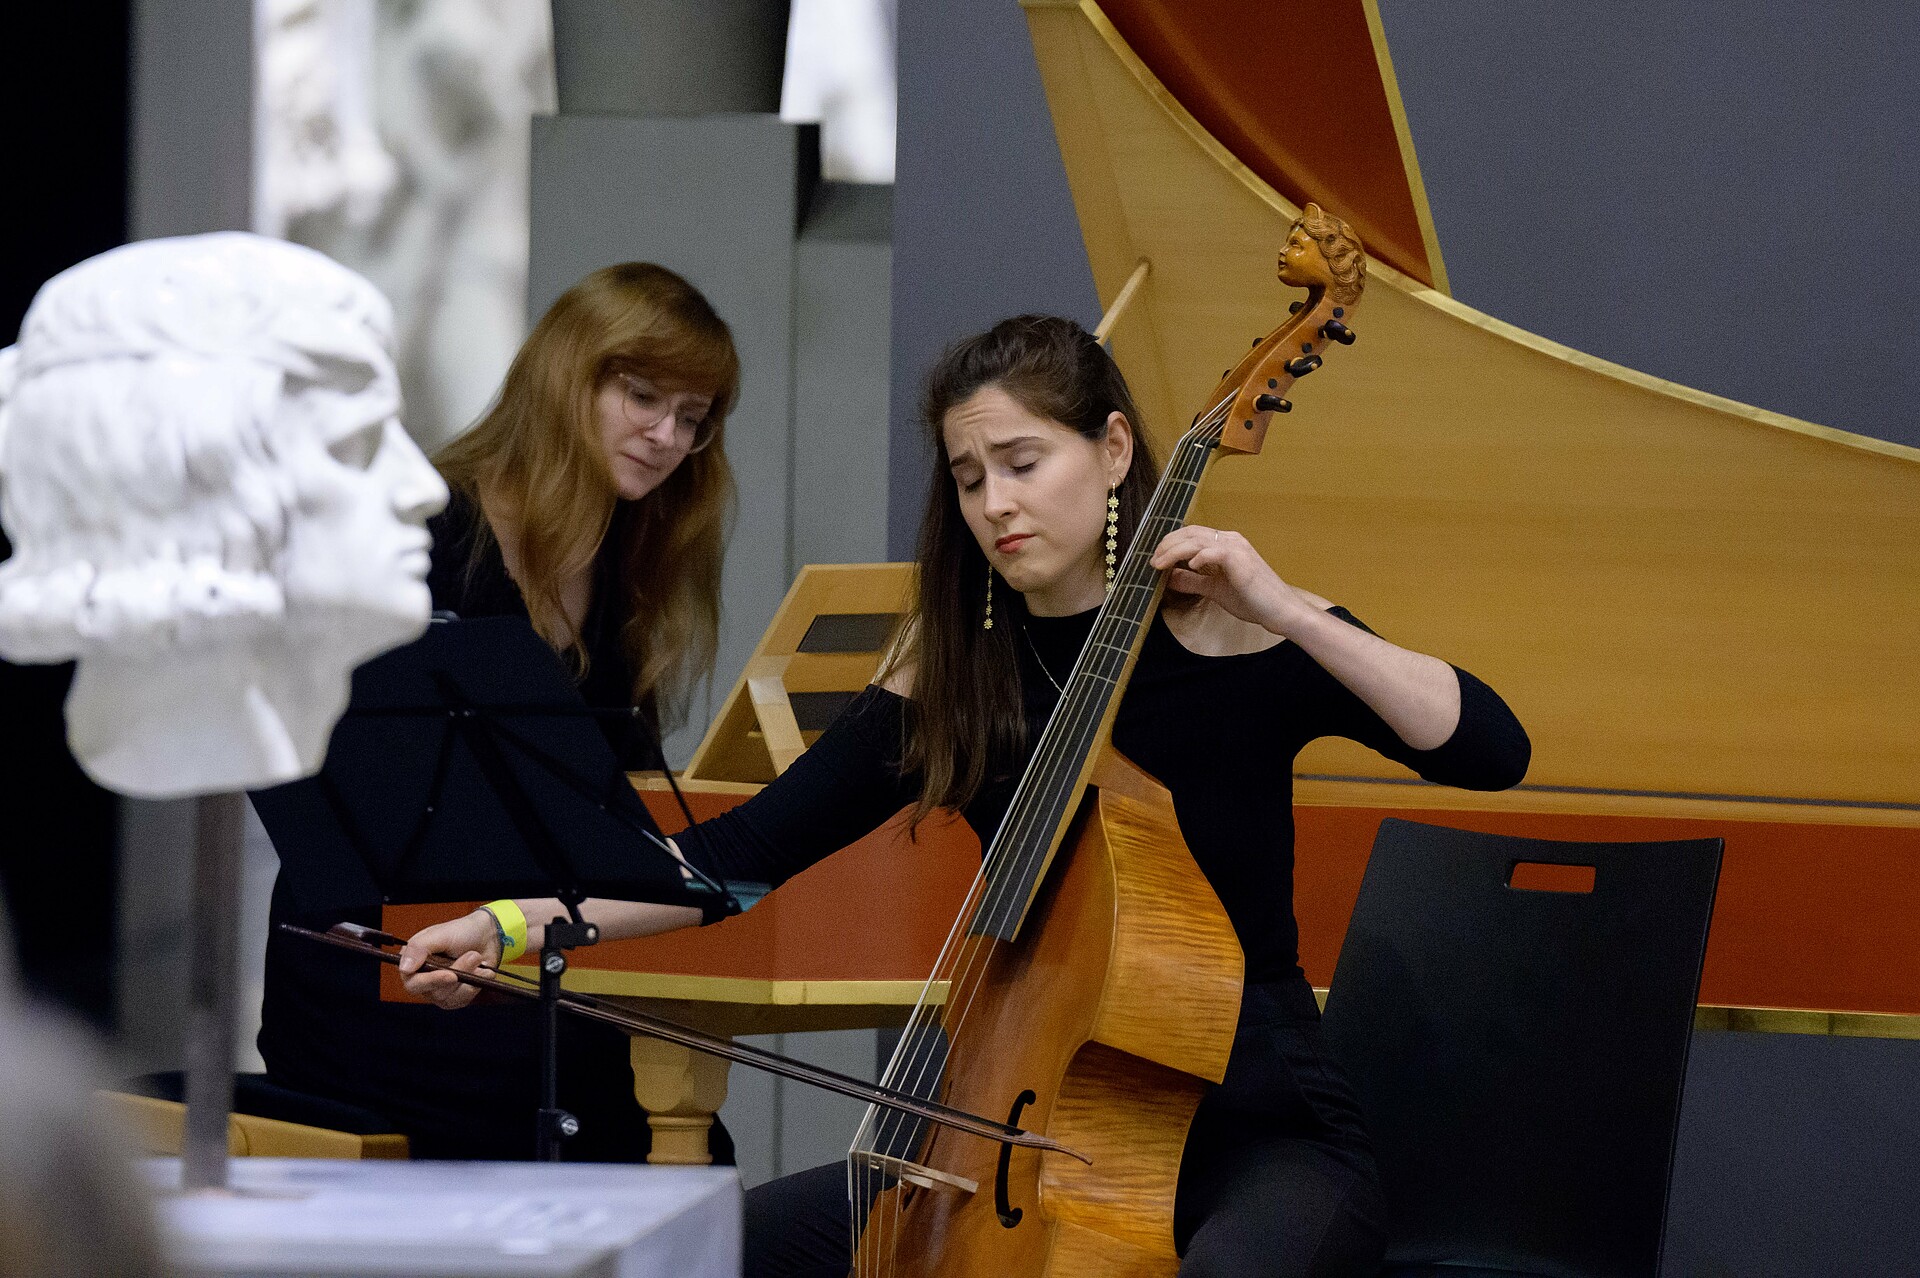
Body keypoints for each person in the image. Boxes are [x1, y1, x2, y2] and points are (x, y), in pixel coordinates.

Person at [403, 309, 1530, 1273]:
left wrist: (1285, 607)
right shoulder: (952, 669)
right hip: (1008, 1134)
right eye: (969, 475)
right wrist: (513, 926)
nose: (997, 503)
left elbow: (1487, 747)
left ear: (1117, 448)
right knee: (718, 1250)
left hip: (1255, 1132)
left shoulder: (1236, 631)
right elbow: (740, 857)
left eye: (1024, 462)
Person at [261, 261, 740, 1162]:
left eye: (693, 419)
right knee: (626, 1130)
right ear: (567, 375)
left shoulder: (627, 574)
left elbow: (599, 809)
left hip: (509, 959)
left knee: (685, 1141)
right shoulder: (417, 529)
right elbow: (319, 767)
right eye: (643, 396)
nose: (667, 435)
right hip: (373, 968)